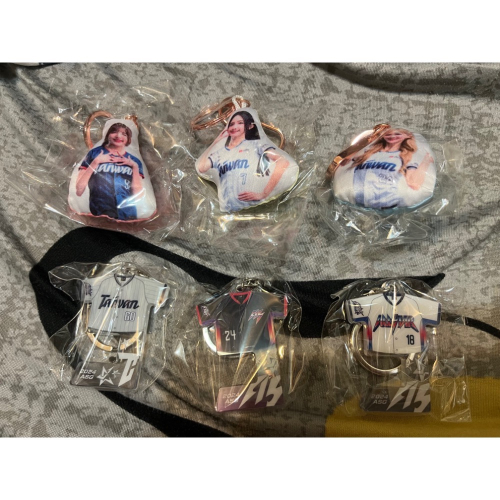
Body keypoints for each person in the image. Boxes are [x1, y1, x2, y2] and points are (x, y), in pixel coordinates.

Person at [196, 110, 296, 212]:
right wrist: (216, 142)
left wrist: (264, 193)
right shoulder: (221, 152)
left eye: (240, 123)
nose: (234, 127)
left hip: (256, 209)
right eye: (231, 124)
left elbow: (283, 162)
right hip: (227, 211)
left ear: (250, 126)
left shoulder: (256, 145)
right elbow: (201, 167)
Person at [333, 128, 435, 210]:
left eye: (397, 134)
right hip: (358, 200)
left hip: (391, 204)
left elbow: (414, 184)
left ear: (408, 136)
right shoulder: (367, 153)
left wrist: (426, 161)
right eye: (388, 134)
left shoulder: (408, 157)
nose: (392, 136)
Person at [75, 122, 144, 220]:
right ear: (108, 134)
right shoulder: (94, 153)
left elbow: (137, 197)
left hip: (128, 215)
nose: (118, 136)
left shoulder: (135, 161)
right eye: (114, 131)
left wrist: (134, 167)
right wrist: (96, 162)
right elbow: (79, 191)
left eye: (124, 134)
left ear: (128, 139)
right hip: (100, 214)